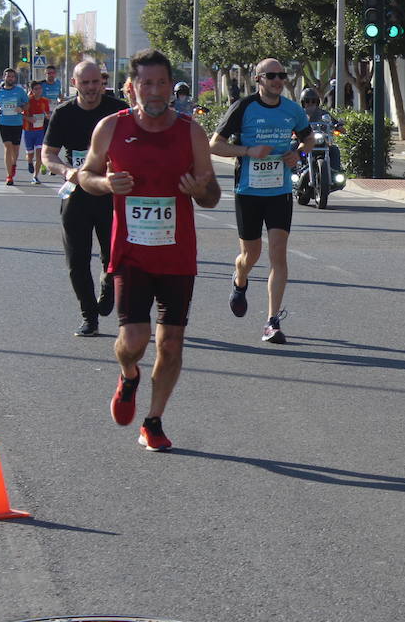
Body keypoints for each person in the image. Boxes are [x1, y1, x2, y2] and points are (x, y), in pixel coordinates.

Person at [76, 49, 220, 451]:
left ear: (169, 87)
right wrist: (106, 185)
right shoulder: (111, 128)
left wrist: (201, 190)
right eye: (146, 83)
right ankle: (128, 375)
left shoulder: (190, 132)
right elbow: (86, 174)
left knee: (171, 342)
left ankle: (153, 420)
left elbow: (212, 194)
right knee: (135, 339)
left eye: (160, 83)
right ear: (132, 87)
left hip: (176, 255)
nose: (154, 91)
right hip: (131, 253)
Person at [210, 57, 312, 344]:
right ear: (258, 79)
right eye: (271, 76)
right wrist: (247, 150)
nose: (278, 80)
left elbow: (309, 138)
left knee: (278, 254)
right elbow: (215, 144)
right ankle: (239, 280)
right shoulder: (243, 108)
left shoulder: (292, 110)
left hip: (279, 192)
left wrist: (298, 152)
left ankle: (272, 321)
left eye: (281, 75)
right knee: (250, 256)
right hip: (248, 192)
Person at [43, 60, 129, 336]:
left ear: (102, 83)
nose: (92, 88)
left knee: (113, 257)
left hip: (109, 194)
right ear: (75, 83)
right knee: (76, 261)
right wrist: (66, 170)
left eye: (96, 82)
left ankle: (108, 282)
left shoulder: (118, 111)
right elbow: (48, 154)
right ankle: (88, 316)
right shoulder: (64, 113)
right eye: (86, 83)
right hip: (78, 193)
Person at [0, 68, 28, 185]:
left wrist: (21, 108)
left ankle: (14, 164)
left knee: (15, 149)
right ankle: (9, 176)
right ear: (4, 77)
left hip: (17, 123)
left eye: (12, 77)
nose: (10, 78)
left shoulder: (20, 91)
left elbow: (27, 104)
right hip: (4, 123)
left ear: (15, 78)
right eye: (8, 76)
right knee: (7, 147)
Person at [22, 79, 51, 183]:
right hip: (28, 131)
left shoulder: (45, 101)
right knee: (30, 154)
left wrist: (48, 116)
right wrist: (28, 118)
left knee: (39, 154)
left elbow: (47, 113)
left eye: (40, 89)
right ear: (32, 90)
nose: (38, 91)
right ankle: (29, 162)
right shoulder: (28, 101)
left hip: (40, 131)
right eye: (36, 89)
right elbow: (20, 114)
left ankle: (35, 176)